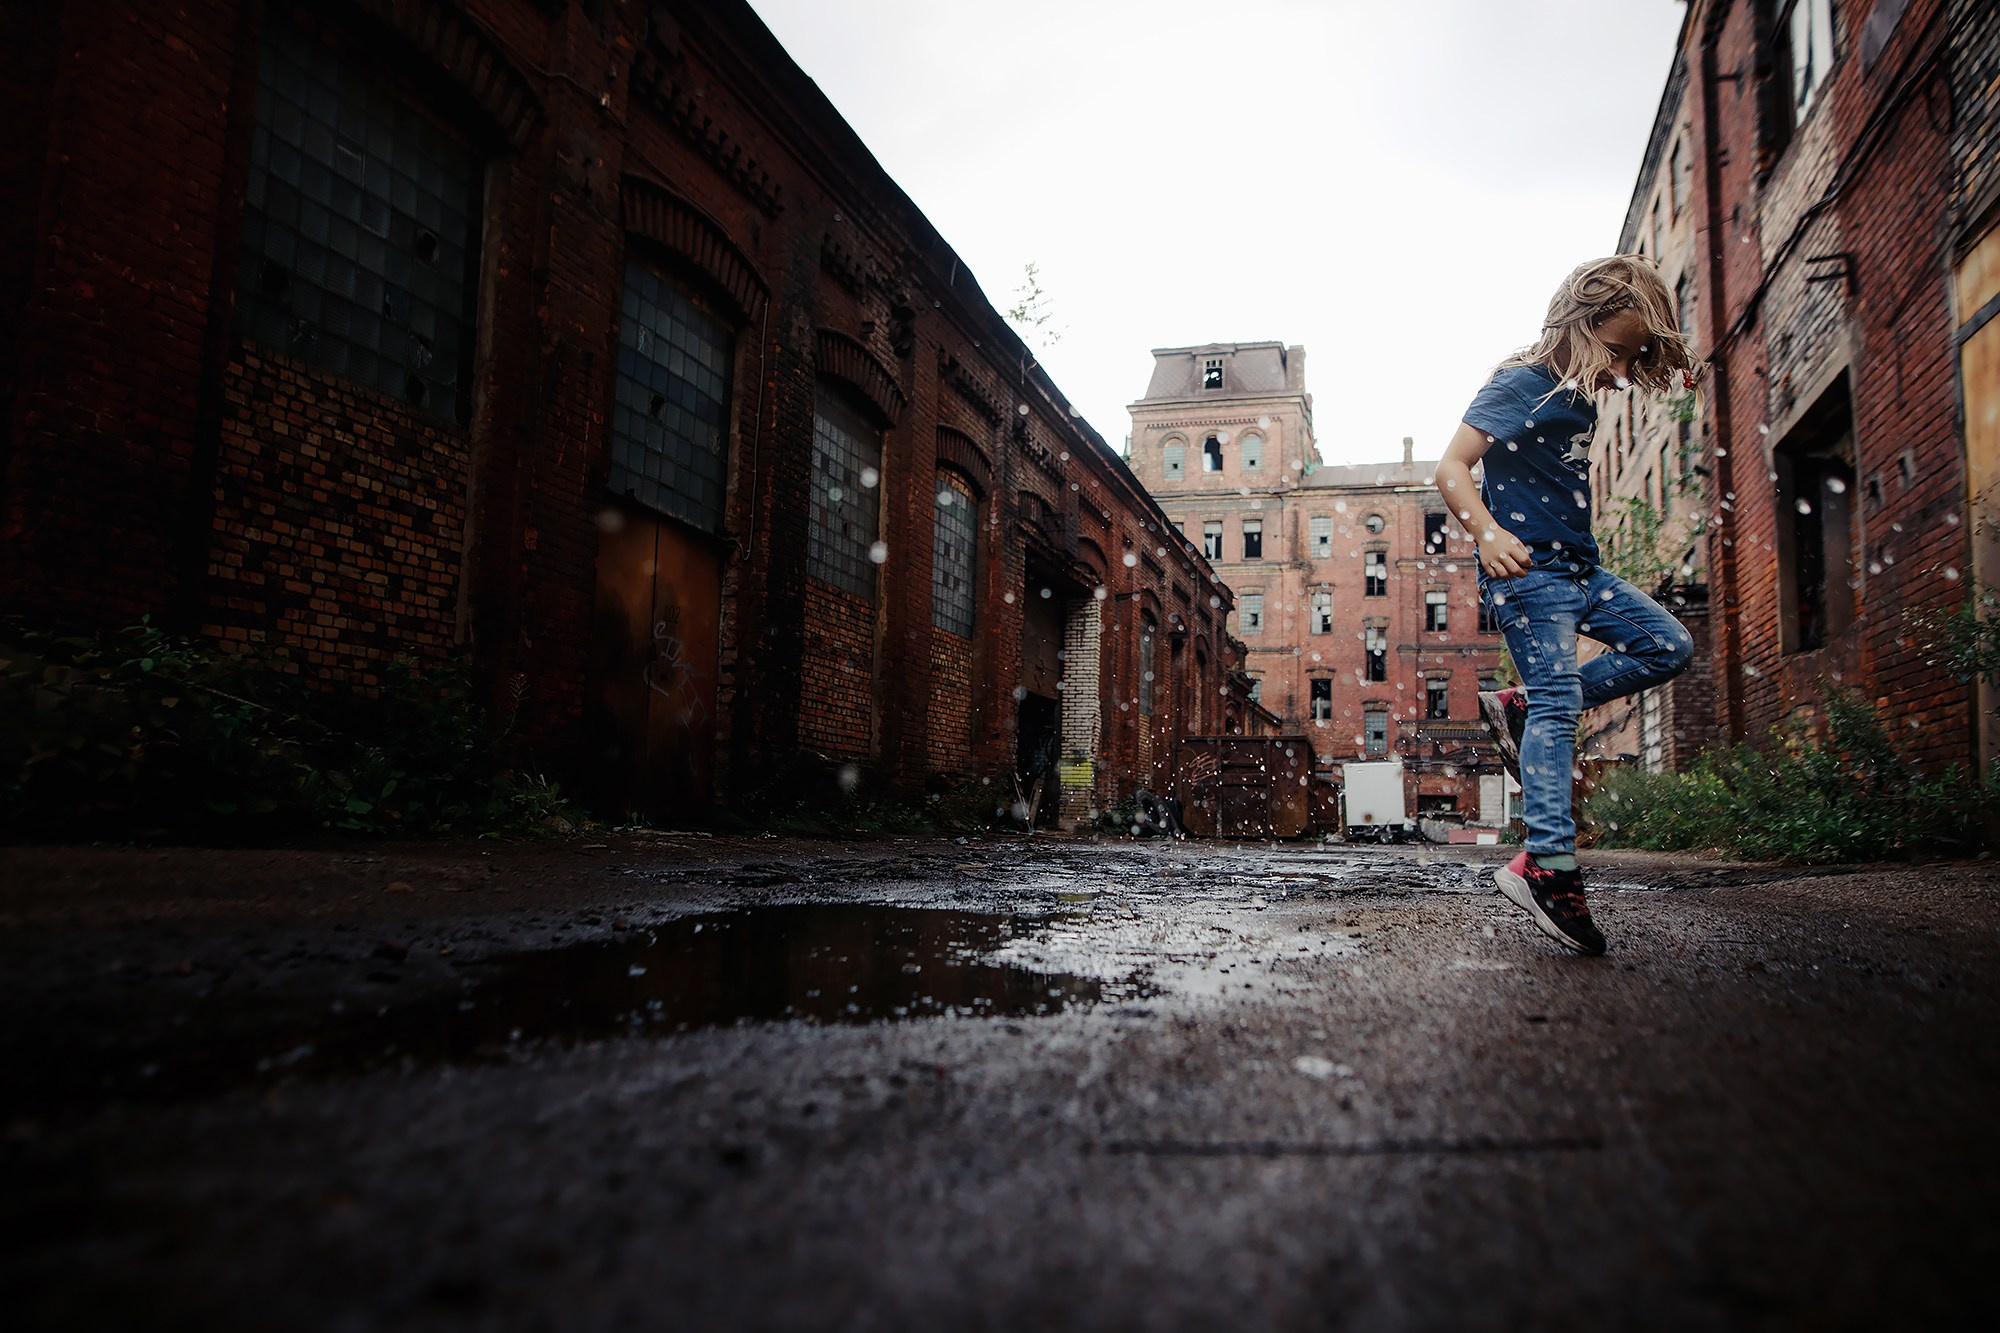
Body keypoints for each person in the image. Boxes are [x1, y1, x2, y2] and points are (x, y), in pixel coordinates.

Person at [1433, 255, 1699, 955]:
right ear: (1580, 324)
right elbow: (1451, 466)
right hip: (1528, 576)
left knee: (1668, 645)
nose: (1617, 370)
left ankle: (1523, 706)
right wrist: (1487, 534)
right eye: (1615, 351)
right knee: (1559, 706)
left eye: (1629, 357)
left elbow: (1639, 364)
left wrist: (1662, 362)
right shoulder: (1520, 384)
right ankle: (1546, 864)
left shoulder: (1580, 391)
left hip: (1582, 570)